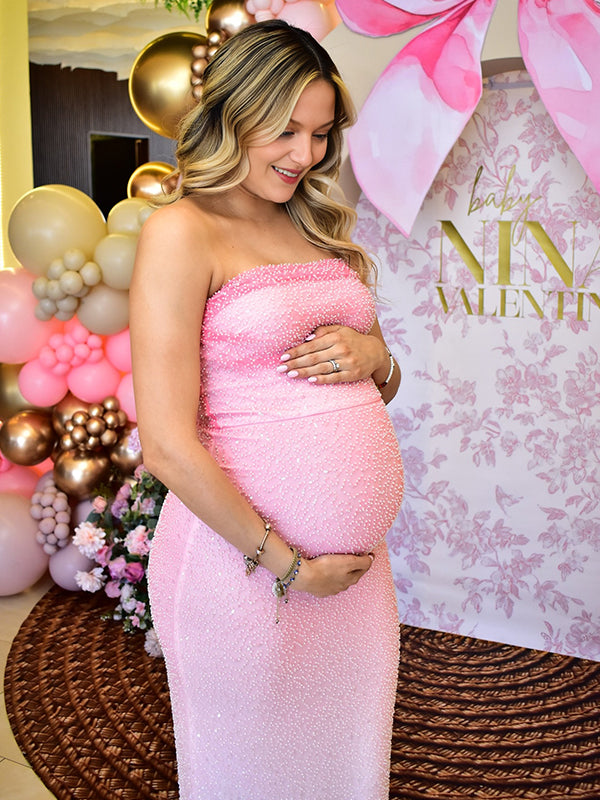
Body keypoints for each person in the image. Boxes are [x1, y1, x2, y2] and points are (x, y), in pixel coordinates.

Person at [129, 19, 404, 800]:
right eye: (284, 130)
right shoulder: (183, 232)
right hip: (244, 571)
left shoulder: (312, 224)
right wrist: (290, 568)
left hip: (353, 580)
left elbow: (380, 382)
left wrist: (376, 358)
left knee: (347, 768)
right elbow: (168, 446)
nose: (305, 154)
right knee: (247, 774)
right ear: (233, 115)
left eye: (320, 133)